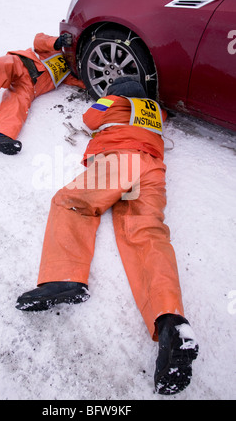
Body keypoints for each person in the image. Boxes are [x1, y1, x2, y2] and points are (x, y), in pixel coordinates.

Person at [15, 76, 199, 395]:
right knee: (147, 234)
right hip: (152, 171)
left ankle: (65, 278)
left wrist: (106, 101)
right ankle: (170, 320)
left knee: (72, 202)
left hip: (120, 160)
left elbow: (90, 119)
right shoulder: (156, 112)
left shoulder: (112, 102)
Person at [0, 33, 85, 154]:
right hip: (20, 63)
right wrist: (56, 42)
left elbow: (85, 83)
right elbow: (39, 39)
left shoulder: (71, 73)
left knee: (17, 104)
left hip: (30, 85)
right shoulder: (57, 48)